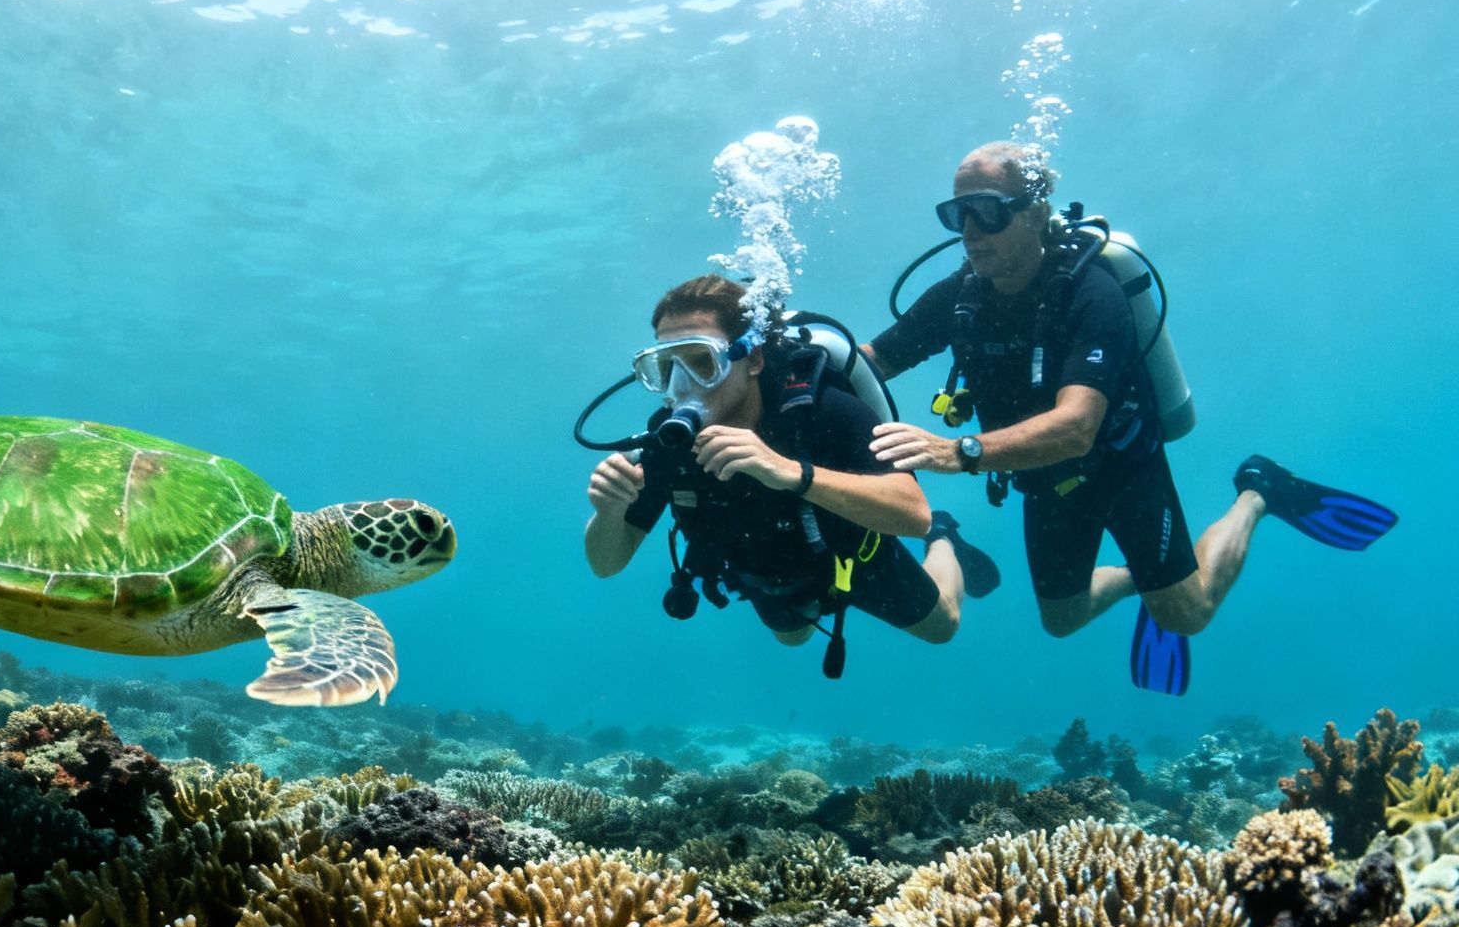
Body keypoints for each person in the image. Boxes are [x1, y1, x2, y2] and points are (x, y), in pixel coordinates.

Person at [865, 142, 1396, 687]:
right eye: (958, 214)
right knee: (1061, 620)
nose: (971, 231)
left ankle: (1258, 491)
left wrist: (959, 452)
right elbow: (873, 361)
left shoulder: (1091, 294)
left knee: (1187, 614)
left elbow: (1077, 426)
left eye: (989, 211)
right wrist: (800, 362)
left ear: (1035, 211)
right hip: (1044, 482)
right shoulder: (960, 296)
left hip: (1121, 468)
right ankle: (1141, 578)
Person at [586, 276, 998, 665]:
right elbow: (606, 564)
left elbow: (913, 515)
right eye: (666, 367)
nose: (682, 385)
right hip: (763, 575)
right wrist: (609, 512)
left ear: (753, 360)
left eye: (702, 362)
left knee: (943, 625)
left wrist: (790, 472)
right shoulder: (669, 443)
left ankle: (947, 538)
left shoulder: (819, 410)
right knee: (793, 637)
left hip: (856, 555)